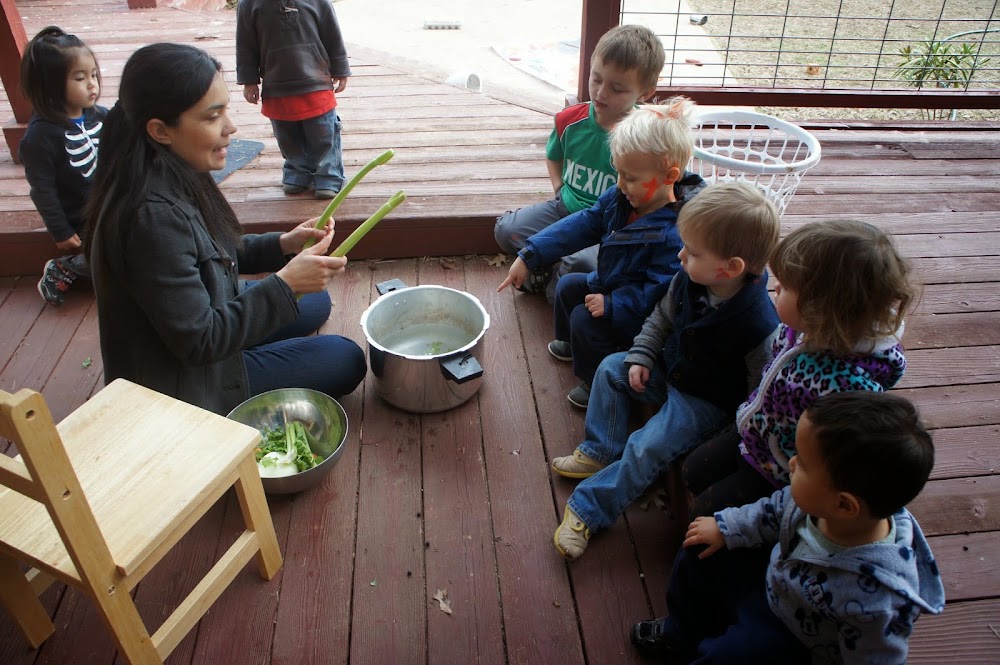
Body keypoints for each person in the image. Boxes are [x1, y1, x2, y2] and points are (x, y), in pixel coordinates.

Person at [83, 43, 366, 416]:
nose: (231, 128)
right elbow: (200, 341)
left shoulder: (171, 165)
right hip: (186, 384)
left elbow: (211, 250)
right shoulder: (150, 220)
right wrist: (286, 284)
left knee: (314, 301)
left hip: (201, 323)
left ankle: (260, 330)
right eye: (213, 116)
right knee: (344, 358)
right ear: (161, 130)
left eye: (225, 110)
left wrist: (282, 244)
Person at [550, 183, 782, 559]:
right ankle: (599, 449)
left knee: (647, 446)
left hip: (704, 401)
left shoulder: (758, 325)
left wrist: (729, 435)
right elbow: (662, 316)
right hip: (670, 368)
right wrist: (642, 355)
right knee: (611, 368)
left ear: (731, 268)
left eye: (692, 251)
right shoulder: (691, 278)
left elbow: (758, 392)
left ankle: (588, 508)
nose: (680, 255)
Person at [632, 391, 945, 664]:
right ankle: (681, 631)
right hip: (776, 577)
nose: (791, 463)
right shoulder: (819, 503)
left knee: (729, 656)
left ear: (844, 505)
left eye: (803, 463)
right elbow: (773, 510)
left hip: (796, 635)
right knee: (700, 547)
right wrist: (728, 527)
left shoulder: (877, 601)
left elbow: (876, 658)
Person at [683, 219, 917, 518]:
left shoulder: (846, 388)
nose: (775, 286)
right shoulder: (803, 329)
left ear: (824, 309)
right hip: (758, 429)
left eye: (786, 286)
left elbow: (829, 470)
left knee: (702, 513)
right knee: (692, 472)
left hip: (782, 472)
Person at [498, 99, 704, 409]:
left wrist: (613, 304)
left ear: (669, 176)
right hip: (613, 283)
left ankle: (596, 381)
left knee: (585, 320)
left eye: (630, 177)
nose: (620, 184)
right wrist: (531, 254)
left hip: (640, 315)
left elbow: (659, 295)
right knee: (568, 286)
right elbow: (583, 224)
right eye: (618, 173)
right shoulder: (622, 198)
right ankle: (572, 344)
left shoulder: (674, 234)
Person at [494, 25, 706, 301]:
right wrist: (559, 190)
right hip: (570, 209)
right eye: (596, 79)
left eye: (617, 88)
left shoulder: (646, 140)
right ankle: (555, 262)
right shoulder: (571, 120)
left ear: (645, 91)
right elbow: (555, 156)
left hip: (611, 226)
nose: (601, 93)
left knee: (574, 269)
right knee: (508, 231)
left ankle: (555, 275)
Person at [19, 26, 107, 306]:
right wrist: (60, 230)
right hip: (83, 218)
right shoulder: (40, 137)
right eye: (80, 78)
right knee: (113, 253)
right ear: (50, 85)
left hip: (114, 202)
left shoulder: (101, 116)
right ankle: (65, 268)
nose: (92, 84)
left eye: (94, 75)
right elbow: (42, 189)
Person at [236, 0, 350, 199]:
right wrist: (249, 81)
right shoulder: (248, 4)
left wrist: (341, 69)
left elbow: (332, 35)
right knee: (287, 136)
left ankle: (329, 177)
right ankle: (297, 173)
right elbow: (245, 44)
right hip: (276, 85)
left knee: (323, 134)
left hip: (316, 83)